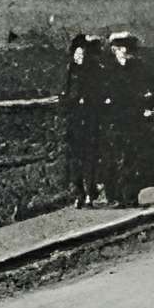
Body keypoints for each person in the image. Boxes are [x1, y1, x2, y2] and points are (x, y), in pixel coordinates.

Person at [98, 30, 154, 208]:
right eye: (117, 48)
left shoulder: (139, 67)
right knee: (116, 157)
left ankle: (131, 195)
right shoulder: (107, 69)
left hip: (135, 118)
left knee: (136, 156)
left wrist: (148, 105)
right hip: (115, 120)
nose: (121, 51)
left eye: (124, 47)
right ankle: (117, 196)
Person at [59, 34, 107, 208]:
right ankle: (79, 194)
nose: (79, 57)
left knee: (91, 157)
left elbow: (101, 93)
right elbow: (64, 92)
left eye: (82, 54)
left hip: (91, 118)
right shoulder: (71, 70)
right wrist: (69, 102)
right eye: (76, 54)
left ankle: (90, 193)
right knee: (75, 159)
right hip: (75, 120)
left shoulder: (95, 70)